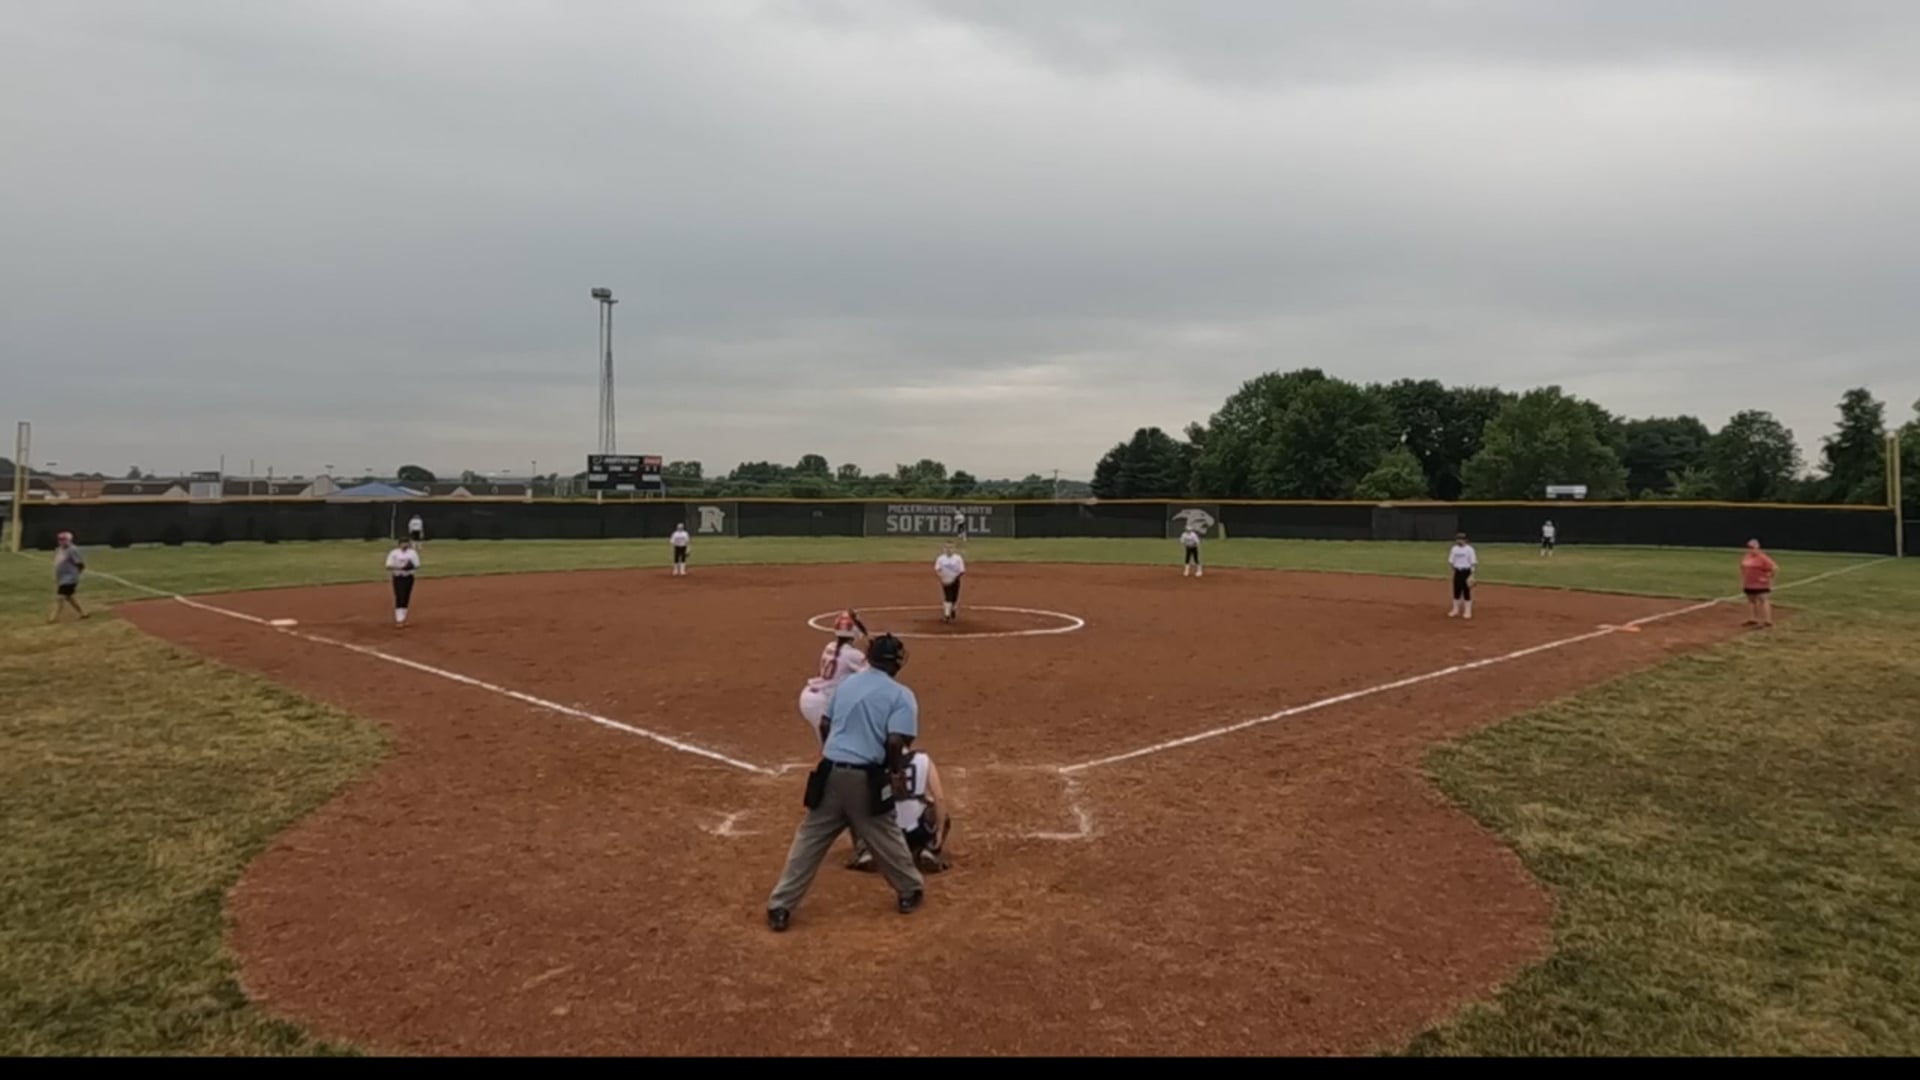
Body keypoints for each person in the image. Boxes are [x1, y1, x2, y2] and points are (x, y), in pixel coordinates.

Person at [766, 634, 925, 931]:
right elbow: (895, 741)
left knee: (809, 840)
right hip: (865, 778)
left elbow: (825, 723)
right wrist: (894, 774)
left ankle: (780, 904)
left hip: (830, 772)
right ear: (897, 662)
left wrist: (832, 750)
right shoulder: (901, 695)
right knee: (884, 833)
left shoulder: (848, 684)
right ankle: (909, 889)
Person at [849, 738, 952, 874]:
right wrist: (938, 831)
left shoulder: (874, 762)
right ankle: (929, 849)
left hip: (886, 835)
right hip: (916, 834)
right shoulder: (923, 758)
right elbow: (940, 798)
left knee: (859, 806)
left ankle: (866, 851)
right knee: (936, 811)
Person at [798, 610, 870, 745]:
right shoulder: (853, 655)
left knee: (832, 742)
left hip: (811, 696)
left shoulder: (830, 646)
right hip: (821, 703)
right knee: (834, 744)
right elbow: (873, 674)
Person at [48, 531, 88, 623]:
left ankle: (53, 617)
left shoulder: (72, 550)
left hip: (69, 578)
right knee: (69, 597)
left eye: (63, 539)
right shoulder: (59, 550)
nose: (61, 541)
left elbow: (80, 564)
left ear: (69, 540)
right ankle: (83, 613)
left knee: (60, 597)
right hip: (62, 578)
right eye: (60, 539)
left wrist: (76, 574)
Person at [1740, 539, 1777, 628]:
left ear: (1757, 547)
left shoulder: (1763, 557)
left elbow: (1774, 568)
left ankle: (1767, 621)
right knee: (1751, 601)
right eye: (1749, 547)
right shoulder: (1747, 557)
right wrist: (1744, 578)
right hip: (1749, 583)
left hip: (1761, 584)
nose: (1751, 549)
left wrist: (1768, 577)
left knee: (1763, 600)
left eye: (1753, 547)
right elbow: (1742, 567)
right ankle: (1753, 619)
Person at [385, 538, 420, 628]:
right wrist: (400, 567)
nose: (405, 545)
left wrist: (410, 566)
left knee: (406, 597)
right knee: (400, 596)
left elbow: (417, 565)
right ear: (399, 544)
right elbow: (388, 565)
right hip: (398, 577)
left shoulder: (412, 553)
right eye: (403, 543)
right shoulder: (394, 553)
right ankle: (399, 619)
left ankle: (403, 618)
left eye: (406, 543)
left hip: (409, 577)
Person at [1447, 532, 1477, 619]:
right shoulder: (1454, 549)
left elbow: (1473, 562)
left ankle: (1468, 611)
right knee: (1456, 591)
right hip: (1457, 571)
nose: (1459, 541)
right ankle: (1455, 610)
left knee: (1466, 591)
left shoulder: (1469, 549)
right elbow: (1451, 561)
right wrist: (1453, 571)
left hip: (1466, 572)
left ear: (1465, 540)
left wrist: (1472, 574)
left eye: (1461, 539)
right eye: (1458, 539)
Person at [935, 543, 966, 623]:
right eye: (947, 548)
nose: (949, 549)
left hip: (955, 580)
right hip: (945, 580)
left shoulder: (958, 558)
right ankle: (947, 615)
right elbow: (937, 569)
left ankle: (953, 609)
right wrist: (943, 578)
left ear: (954, 549)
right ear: (944, 549)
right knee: (948, 596)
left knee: (954, 598)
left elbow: (962, 571)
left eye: (951, 548)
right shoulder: (940, 558)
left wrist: (953, 579)